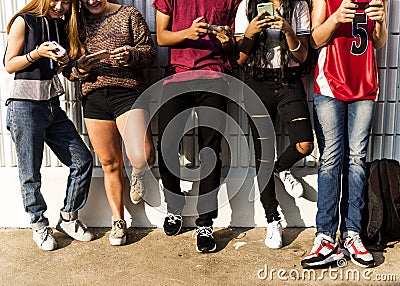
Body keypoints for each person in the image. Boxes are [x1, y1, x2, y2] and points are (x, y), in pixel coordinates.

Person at [301, 0, 388, 268]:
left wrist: (382, 21)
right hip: (330, 84)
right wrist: (336, 17)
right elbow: (314, 40)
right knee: (330, 160)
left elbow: (379, 42)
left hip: (364, 86)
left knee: (356, 160)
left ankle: (352, 234)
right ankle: (325, 236)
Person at [63, 0, 156, 246]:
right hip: (94, 96)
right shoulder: (75, 22)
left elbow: (149, 53)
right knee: (110, 164)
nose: (92, 1)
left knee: (144, 154)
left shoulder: (129, 14)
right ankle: (118, 221)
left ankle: (138, 174)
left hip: (127, 91)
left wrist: (131, 55)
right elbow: (67, 69)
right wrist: (79, 70)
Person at [4, 0, 94, 251]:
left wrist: (68, 62)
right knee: (30, 173)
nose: (59, 5)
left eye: (65, 2)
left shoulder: (61, 25)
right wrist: (35, 54)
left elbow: (59, 70)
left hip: (52, 104)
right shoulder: (24, 21)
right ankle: (38, 223)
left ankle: (68, 217)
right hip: (24, 106)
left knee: (82, 160)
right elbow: (9, 64)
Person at [152, 0, 241, 253]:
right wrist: (187, 34)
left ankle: (205, 223)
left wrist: (227, 41)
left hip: (214, 76)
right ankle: (174, 206)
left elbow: (234, 40)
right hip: (177, 75)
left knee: (210, 150)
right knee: (167, 143)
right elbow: (161, 37)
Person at [235, 0, 314, 249]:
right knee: (263, 156)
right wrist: (250, 32)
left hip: (288, 79)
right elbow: (239, 58)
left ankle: (282, 168)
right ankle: (273, 220)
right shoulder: (246, 5)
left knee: (304, 143)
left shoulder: (298, 5)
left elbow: (301, 56)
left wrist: (287, 29)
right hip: (256, 80)